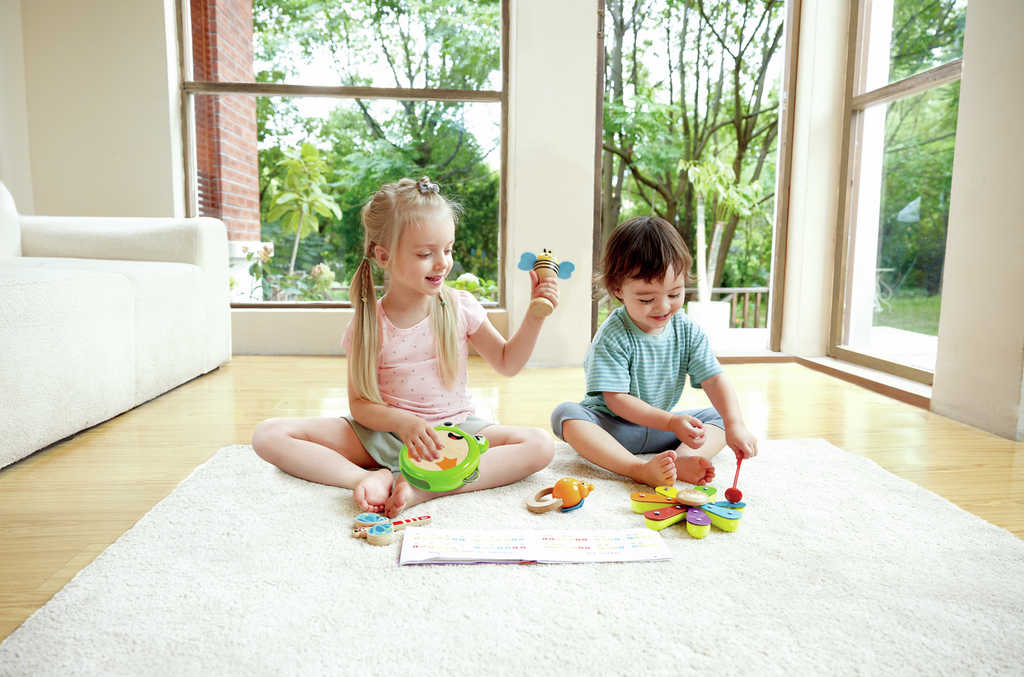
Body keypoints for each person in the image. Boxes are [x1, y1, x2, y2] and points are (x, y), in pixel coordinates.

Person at [253, 177, 557, 517]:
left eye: (448, 249)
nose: (442, 263)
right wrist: (402, 423)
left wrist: (535, 316)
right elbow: (360, 405)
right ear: (384, 256)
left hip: (453, 434)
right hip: (383, 435)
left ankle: (423, 488)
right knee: (268, 434)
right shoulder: (368, 325)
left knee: (540, 445)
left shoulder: (460, 306)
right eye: (426, 254)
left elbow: (507, 363)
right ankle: (369, 479)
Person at [551, 216, 757, 488]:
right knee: (566, 414)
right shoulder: (613, 334)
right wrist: (671, 421)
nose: (663, 307)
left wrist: (735, 424)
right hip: (614, 430)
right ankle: (637, 468)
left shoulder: (687, 330)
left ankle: (682, 460)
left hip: (662, 430)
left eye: (674, 294)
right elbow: (616, 401)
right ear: (617, 290)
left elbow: (715, 378)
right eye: (647, 299)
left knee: (720, 415)